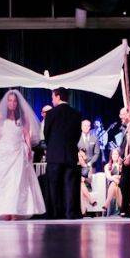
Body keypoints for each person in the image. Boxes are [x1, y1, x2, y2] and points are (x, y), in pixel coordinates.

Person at [0, 90, 46, 219]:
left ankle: (15, 210)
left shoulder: (23, 116)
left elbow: (26, 135)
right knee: (3, 182)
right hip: (3, 152)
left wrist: (29, 150)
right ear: (6, 102)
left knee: (16, 182)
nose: (12, 103)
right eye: (10, 100)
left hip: (18, 152)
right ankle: (5, 210)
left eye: (15, 101)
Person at [42, 87, 83, 219]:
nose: (52, 100)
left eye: (53, 97)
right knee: (70, 185)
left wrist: (52, 146)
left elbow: (46, 133)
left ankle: (56, 213)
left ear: (58, 97)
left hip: (54, 154)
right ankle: (70, 212)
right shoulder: (76, 114)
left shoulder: (50, 114)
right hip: (70, 154)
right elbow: (77, 134)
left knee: (54, 185)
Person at [104, 148, 123, 215]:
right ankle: (122, 209)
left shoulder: (122, 165)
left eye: (116, 154)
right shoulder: (107, 166)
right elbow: (108, 176)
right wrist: (115, 178)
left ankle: (106, 204)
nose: (115, 155)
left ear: (119, 155)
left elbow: (123, 176)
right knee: (114, 184)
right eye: (113, 154)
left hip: (121, 183)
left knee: (117, 185)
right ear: (111, 156)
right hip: (112, 184)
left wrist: (117, 176)